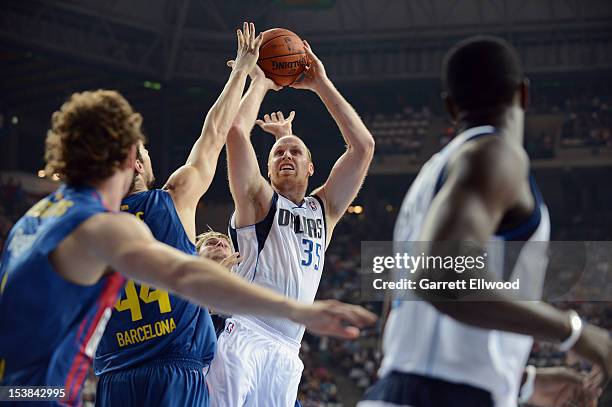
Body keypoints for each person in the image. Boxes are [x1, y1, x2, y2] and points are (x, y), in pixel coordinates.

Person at [0, 89, 377, 406]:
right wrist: (298, 309)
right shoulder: (109, 226)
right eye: (145, 154)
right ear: (132, 159)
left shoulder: (33, 221)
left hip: (52, 384)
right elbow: (184, 273)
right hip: (145, 371)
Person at [358, 36, 607, 407]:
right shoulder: (496, 153)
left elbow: (404, 322)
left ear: (449, 107)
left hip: (396, 392)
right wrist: (578, 333)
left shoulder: (428, 179)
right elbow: (439, 276)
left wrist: (524, 382)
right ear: (524, 95)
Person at [93, 22, 259, 406]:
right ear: (136, 164)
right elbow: (214, 134)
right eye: (146, 155)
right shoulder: (173, 197)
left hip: (114, 376)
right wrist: (241, 72)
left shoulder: (89, 227)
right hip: (173, 370)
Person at [207, 39, 375, 406]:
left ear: (311, 167)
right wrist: (262, 83)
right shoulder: (259, 201)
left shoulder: (325, 209)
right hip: (244, 333)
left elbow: (362, 147)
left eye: (295, 152)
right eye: (279, 153)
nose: (286, 155)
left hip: (288, 350)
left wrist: (320, 84)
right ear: (267, 169)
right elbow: (237, 132)